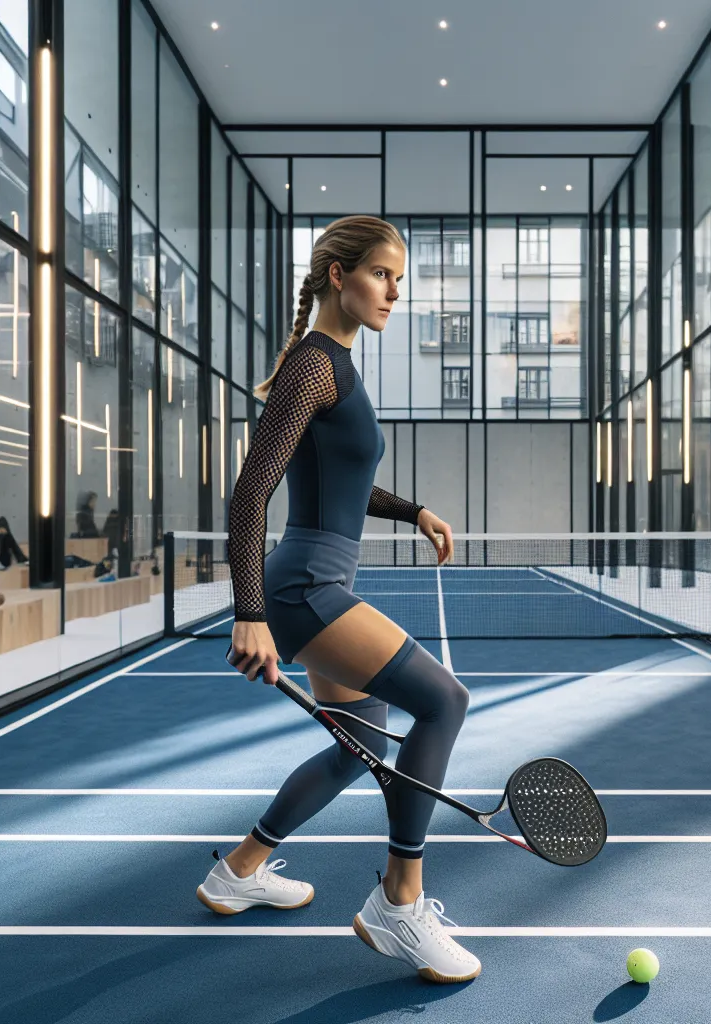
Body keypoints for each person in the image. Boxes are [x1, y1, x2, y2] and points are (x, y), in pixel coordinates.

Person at [203, 216, 480, 984]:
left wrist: (413, 509)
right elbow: (250, 495)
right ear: (338, 276)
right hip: (303, 589)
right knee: (444, 703)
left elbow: (344, 482)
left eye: (399, 279)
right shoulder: (314, 366)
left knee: (358, 741)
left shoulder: (333, 368)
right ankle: (400, 899)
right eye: (383, 274)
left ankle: (240, 869)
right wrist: (249, 611)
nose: (394, 292)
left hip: (319, 583)